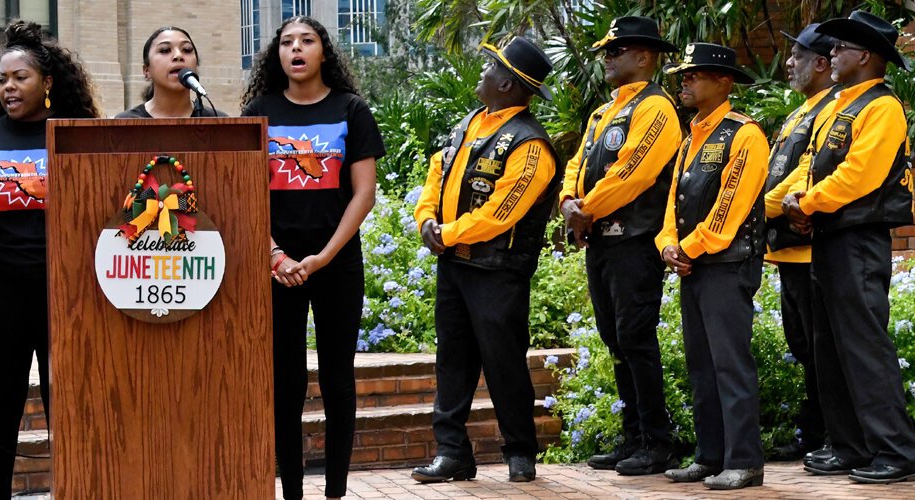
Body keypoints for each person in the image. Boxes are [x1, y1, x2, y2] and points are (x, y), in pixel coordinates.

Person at [241, 16, 384, 499]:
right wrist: (275, 255)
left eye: (307, 41)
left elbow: (364, 194)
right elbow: (242, 196)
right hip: (276, 268)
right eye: (286, 43)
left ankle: (336, 491)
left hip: (336, 262)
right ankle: (294, 492)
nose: (296, 49)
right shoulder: (258, 111)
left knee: (337, 378)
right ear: (276, 55)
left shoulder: (351, 109)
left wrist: (323, 257)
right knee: (286, 382)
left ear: (324, 51)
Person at [409, 35, 558, 485]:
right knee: (451, 360)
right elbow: (439, 171)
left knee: (503, 360)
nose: (483, 73)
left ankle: (520, 451)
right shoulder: (471, 123)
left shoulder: (531, 144)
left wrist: (447, 234)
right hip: (455, 265)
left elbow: (502, 213)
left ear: (509, 85)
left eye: (491, 68)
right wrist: (425, 219)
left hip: (497, 270)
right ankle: (452, 453)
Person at [783, 10, 915, 485]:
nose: (832, 54)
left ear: (865, 56)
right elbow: (813, 167)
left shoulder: (881, 106)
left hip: (859, 238)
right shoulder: (840, 106)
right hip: (829, 236)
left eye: (840, 48)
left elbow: (859, 175)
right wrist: (792, 200)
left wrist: (809, 202)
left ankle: (896, 453)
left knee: (864, 347)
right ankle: (849, 445)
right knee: (831, 349)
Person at [0, 20, 100, 497]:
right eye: (2, 79)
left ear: (47, 83)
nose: (8, 87)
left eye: (20, 77)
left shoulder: (78, 135)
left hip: (69, 294)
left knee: (69, 407)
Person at [560, 15, 683, 476]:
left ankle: (657, 440)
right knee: (615, 339)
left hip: (636, 241)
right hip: (602, 244)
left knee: (636, 338)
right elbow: (577, 162)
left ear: (644, 56)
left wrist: (585, 208)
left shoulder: (656, 107)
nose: (607, 59)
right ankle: (633, 436)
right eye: (607, 52)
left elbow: (635, 172)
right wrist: (569, 201)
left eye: (616, 51)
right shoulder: (603, 111)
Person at [656, 42, 771, 490]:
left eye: (694, 75)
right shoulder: (691, 136)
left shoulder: (744, 134)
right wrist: (668, 244)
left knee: (730, 364)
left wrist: (689, 247)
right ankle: (710, 456)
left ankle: (744, 461)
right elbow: (674, 202)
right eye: (683, 76)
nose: (685, 82)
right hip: (694, 265)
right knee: (701, 365)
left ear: (723, 82)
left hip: (726, 264)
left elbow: (732, 207)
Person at [763, 23, 836, 463]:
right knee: (805, 348)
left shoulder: (831, 111)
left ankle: (834, 435)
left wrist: (755, 208)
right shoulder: (799, 112)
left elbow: (802, 176)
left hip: (814, 250)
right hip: (789, 249)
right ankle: (815, 431)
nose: (788, 63)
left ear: (822, 64)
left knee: (823, 348)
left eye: (799, 55)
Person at [117, 26, 228, 118]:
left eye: (187, 50)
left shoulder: (218, 120)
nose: (178, 56)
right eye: (165, 50)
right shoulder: (124, 123)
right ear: (146, 70)